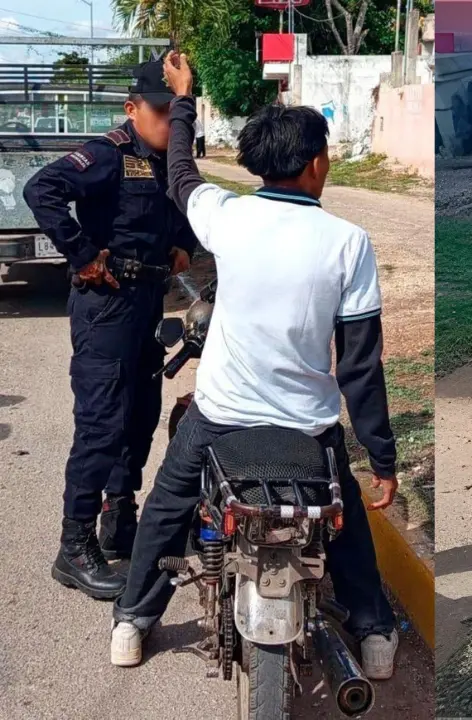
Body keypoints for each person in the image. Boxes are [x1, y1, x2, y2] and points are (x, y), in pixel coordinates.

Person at [111, 52, 401, 680]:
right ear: (317, 163)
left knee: (166, 505)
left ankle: (133, 620)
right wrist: (382, 458)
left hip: (221, 418)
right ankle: (374, 632)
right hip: (309, 429)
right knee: (345, 515)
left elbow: (180, 171)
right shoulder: (348, 243)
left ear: (258, 164)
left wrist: (184, 98)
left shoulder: (228, 215)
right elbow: (360, 367)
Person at [24, 59, 196, 600]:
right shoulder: (108, 155)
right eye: (160, 110)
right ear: (132, 109)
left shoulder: (170, 162)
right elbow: (40, 190)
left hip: (146, 302)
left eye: (176, 111)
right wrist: (81, 254)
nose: (170, 120)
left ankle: (118, 520)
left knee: (140, 415)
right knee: (102, 423)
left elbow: (183, 214)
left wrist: (183, 246)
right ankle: (73, 547)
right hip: (105, 307)